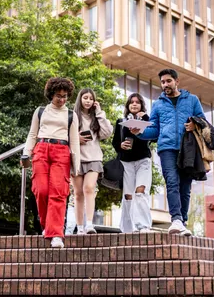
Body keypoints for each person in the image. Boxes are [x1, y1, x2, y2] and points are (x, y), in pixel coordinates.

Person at [131, 69, 205, 236]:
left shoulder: (192, 100)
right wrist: (140, 133)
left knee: (185, 187)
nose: (165, 85)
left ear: (176, 81)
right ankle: (176, 219)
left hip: (188, 148)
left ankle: (182, 222)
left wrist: (195, 125)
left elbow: (203, 122)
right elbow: (154, 130)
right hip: (166, 148)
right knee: (172, 181)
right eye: (163, 82)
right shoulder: (158, 104)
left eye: (168, 81)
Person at [21, 77, 80, 248]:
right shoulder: (40, 111)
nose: (62, 99)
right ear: (51, 95)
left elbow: (74, 141)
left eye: (65, 96)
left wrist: (76, 166)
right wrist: (26, 153)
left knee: (58, 192)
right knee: (41, 190)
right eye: (58, 96)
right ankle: (47, 225)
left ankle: (56, 234)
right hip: (41, 148)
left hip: (62, 151)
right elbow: (32, 134)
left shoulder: (71, 115)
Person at [72, 88, 113, 234]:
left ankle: (89, 224)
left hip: (94, 157)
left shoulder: (97, 117)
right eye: (85, 98)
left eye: (90, 98)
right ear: (80, 99)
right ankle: (80, 227)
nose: (88, 101)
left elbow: (107, 133)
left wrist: (100, 112)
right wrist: (77, 138)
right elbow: (64, 135)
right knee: (77, 193)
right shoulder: (72, 116)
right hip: (76, 158)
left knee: (89, 188)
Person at [112, 93, 153, 233]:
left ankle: (143, 226)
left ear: (141, 105)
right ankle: (128, 229)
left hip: (143, 160)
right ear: (128, 106)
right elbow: (115, 142)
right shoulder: (120, 121)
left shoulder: (146, 119)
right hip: (126, 162)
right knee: (128, 196)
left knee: (140, 192)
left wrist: (145, 118)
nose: (134, 104)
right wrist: (120, 145)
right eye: (131, 102)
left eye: (137, 102)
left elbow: (153, 137)